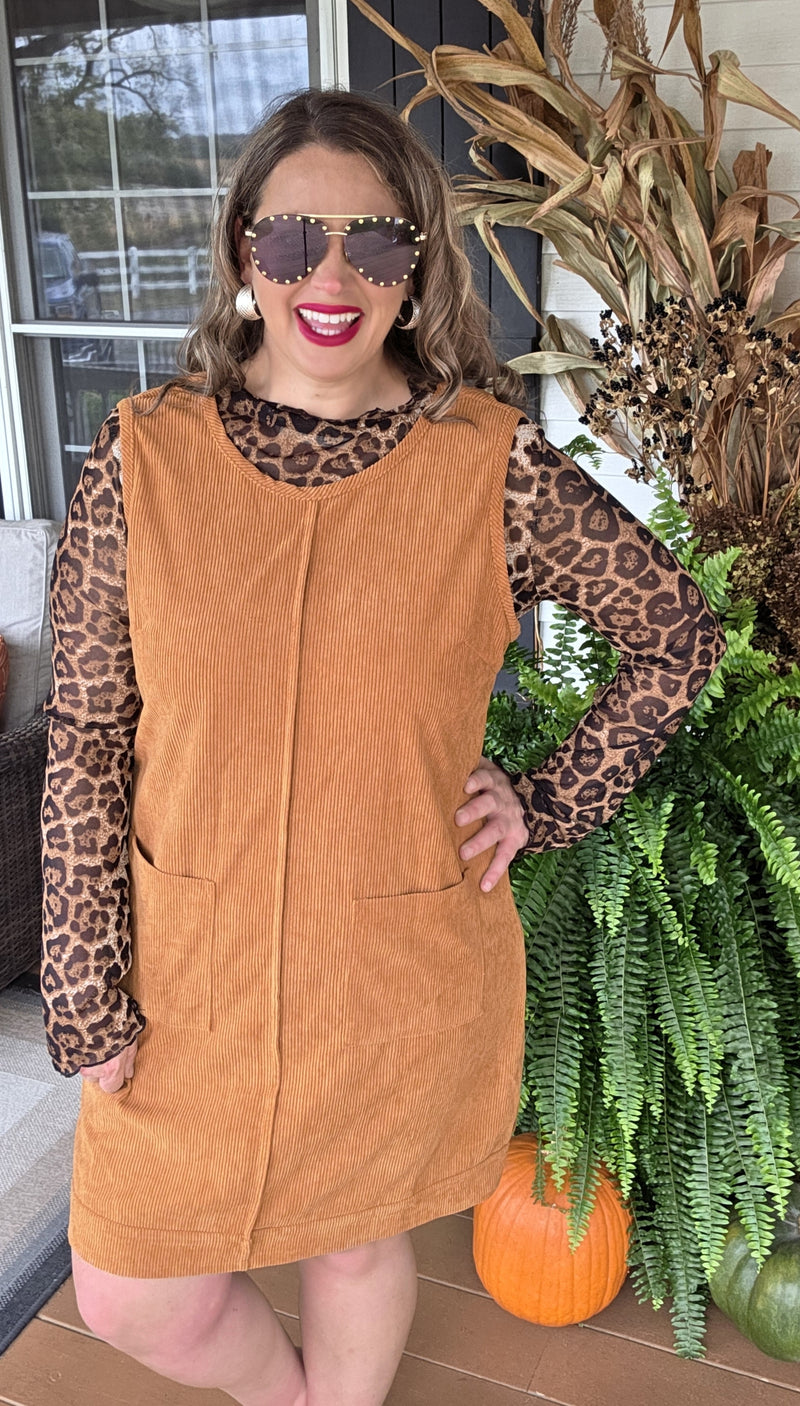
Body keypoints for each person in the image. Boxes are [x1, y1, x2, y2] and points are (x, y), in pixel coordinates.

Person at [40, 87, 725, 1406]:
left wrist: (547, 800)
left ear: (419, 265)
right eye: (293, 239)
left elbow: (677, 635)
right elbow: (85, 734)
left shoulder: (494, 469)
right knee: (127, 1287)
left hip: (396, 960)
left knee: (355, 1241)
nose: (332, 277)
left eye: (375, 242)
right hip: (189, 971)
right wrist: (82, 977)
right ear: (243, 251)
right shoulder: (141, 459)